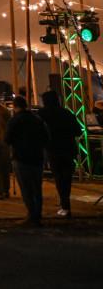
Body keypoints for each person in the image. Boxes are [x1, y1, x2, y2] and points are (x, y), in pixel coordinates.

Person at [4, 95, 48, 225]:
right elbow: (46, 137)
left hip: (21, 158)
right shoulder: (37, 119)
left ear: (15, 106)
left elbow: (7, 139)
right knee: (37, 188)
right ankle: (38, 214)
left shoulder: (14, 120)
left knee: (26, 188)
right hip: (37, 157)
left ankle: (31, 214)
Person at [40, 90, 84, 218]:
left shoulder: (42, 114)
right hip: (68, 150)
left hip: (53, 149)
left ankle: (65, 204)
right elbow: (78, 131)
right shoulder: (67, 113)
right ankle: (65, 202)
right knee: (66, 177)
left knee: (59, 177)